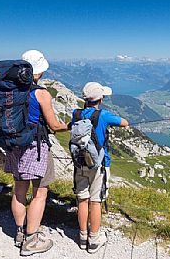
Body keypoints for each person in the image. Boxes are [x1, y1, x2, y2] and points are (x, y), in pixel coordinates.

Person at [4, 50, 69, 256]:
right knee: (40, 192)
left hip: (14, 145)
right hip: (35, 146)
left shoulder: (8, 90)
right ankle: (31, 240)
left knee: (19, 190)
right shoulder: (41, 93)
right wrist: (72, 125)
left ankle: (20, 233)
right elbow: (55, 126)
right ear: (38, 71)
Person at [72, 82, 129, 253]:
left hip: (79, 162)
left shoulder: (76, 113)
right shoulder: (103, 115)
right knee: (95, 201)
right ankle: (94, 240)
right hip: (99, 165)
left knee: (82, 199)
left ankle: (82, 237)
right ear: (101, 98)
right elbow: (125, 122)